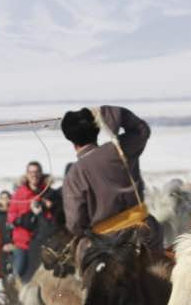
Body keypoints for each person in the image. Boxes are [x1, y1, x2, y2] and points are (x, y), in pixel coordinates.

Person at [60, 105, 161, 249]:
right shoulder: (119, 149)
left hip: (107, 244)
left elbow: (75, 223)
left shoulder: (74, 174)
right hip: (145, 232)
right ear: (96, 129)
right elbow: (141, 130)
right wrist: (107, 112)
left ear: (70, 139)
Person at [8, 161, 52, 278]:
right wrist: (19, 220)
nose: (34, 175)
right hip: (22, 241)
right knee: (19, 272)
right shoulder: (19, 193)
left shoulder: (48, 192)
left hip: (42, 241)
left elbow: (53, 216)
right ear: (27, 174)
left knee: (40, 276)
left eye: (37, 172)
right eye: (31, 172)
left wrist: (44, 209)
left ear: (41, 174)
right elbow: (11, 213)